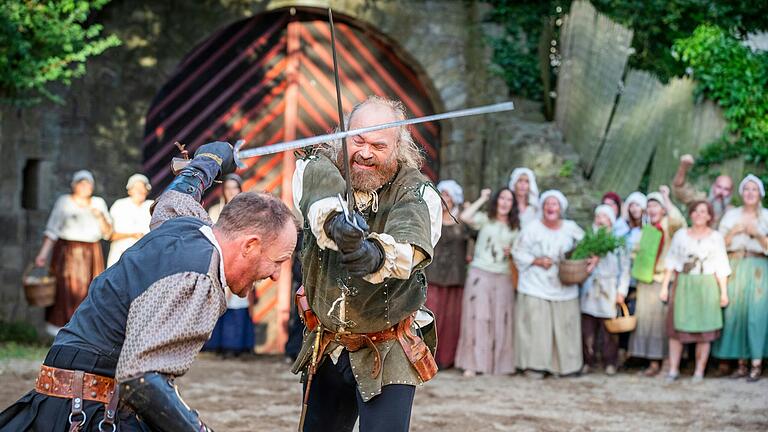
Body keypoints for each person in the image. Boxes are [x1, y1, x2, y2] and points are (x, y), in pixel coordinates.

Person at [0, 142, 297, 431]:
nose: (275, 276)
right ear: (251, 246)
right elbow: (140, 378)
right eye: (278, 261)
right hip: (89, 413)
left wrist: (208, 162)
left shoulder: (186, 228)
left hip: (76, 399)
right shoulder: (197, 277)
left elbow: (176, 197)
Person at [291, 96, 442, 432]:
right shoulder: (315, 166)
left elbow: (411, 246)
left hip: (389, 347)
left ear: (398, 148)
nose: (364, 152)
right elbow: (320, 200)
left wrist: (375, 255)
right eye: (357, 140)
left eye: (378, 144)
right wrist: (337, 225)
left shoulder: (417, 192)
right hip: (326, 343)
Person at [513, 190, 587, 378]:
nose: (550, 207)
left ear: (560, 208)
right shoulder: (532, 228)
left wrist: (590, 261)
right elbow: (518, 252)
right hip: (535, 284)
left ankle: (565, 366)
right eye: (547, 204)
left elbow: (587, 247)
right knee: (537, 327)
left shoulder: (571, 228)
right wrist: (537, 261)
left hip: (563, 284)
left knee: (565, 326)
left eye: (554, 204)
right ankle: (535, 366)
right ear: (542, 207)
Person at [34, 170, 113, 336]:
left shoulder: (98, 203)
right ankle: (60, 332)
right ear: (74, 185)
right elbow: (52, 230)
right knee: (65, 289)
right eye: (81, 183)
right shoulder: (64, 202)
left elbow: (108, 233)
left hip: (91, 252)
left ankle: (84, 333)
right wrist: (42, 255)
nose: (85, 187)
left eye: (88, 183)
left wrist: (99, 216)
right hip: (67, 252)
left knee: (89, 290)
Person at [660, 200, 730, 382]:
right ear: (690, 214)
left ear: (709, 216)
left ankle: (699, 370)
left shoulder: (715, 237)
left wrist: (723, 293)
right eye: (695, 211)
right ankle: (673, 369)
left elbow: (721, 265)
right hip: (684, 283)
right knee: (676, 327)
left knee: (704, 329)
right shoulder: (681, 235)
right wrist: (665, 287)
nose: (699, 215)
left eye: (703, 212)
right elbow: (671, 262)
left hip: (706, 285)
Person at [455, 187, 519, 376]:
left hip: (504, 275)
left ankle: (498, 365)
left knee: (501, 319)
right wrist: (482, 198)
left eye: (509, 200)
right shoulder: (485, 219)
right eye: (502, 198)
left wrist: (512, 252)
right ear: (497, 201)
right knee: (478, 318)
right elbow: (465, 216)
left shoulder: (516, 228)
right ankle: (472, 364)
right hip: (480, 273)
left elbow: (521, 252)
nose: (505, 203)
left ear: (513, 205)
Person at [713, 174, 768, 381]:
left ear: (760, 193)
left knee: (757, 314)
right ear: (741, 193)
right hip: (734, 265)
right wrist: (734, 232)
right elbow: (718, 244)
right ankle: (741, 363)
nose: (750, 193)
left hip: (759, 267)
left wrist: (758, 234)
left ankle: (757, 362)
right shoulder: (731, 216)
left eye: (754, 189)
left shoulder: (766, 217)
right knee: (736, 314)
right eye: (747, 189)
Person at [628, 187, 686, 376]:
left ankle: (668, 362)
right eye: (649, 206)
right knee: (647, 323)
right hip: (646, 280)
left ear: (663, 209)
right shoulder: (647, 229)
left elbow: (678, 221)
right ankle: (652, 361)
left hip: (663, 280)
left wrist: (667, 198)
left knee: (663, 324)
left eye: (656, 205)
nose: (652, 209)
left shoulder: (669, 226)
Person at [203, 172, 256, 357]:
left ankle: (237, 345)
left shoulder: (249, 213)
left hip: (241, 258)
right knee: (219, 297)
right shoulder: (215, 211)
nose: (232, 191)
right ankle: (216, 344)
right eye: (228, 188)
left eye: (235, 188)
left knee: (239, 299)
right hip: (220, 258)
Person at [580, 205, 630, 376]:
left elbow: (625, 269)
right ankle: (588, 359)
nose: (600, 219)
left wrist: (621, 291)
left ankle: (610, 361)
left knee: (609, 328)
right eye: (598, 216)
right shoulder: (589, 240)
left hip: (609, 286)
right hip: (591, 286)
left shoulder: (618, 243)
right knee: (588, 327)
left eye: (604, 216)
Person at [425, 179, 469, 369]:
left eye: (449, 196)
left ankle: (446, 359)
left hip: (455, 276)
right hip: (433, 274)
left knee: (452, 319)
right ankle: (426, 358)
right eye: (442, 194)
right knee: (431, 317)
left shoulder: (462, 222)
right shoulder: (430, 218)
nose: (445, 199)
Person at [107, 173, 153, 267]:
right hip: (120, 255)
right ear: (130, 191)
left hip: (145, 255)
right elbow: (110, 235)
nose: (139, 191)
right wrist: (131, 235)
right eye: (136, 188)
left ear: (147, 191)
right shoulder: (119, 205)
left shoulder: (151, 206)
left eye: (142, 188)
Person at [672, 154, 733, 223]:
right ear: (713, 187)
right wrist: (683, 166)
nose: (721, 192)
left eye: (726, 189)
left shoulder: (732, 213)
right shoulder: (700, 200)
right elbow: (679, 188)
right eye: (719, 187)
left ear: (730, 193)